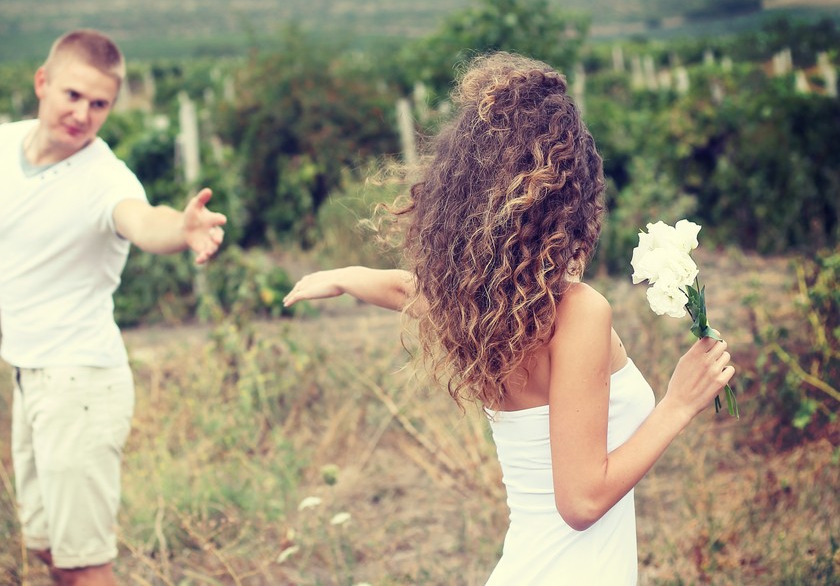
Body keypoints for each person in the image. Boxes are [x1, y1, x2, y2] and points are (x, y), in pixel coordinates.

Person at [282, 52, 734, 584]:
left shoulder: (487, 310)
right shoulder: (579, 313)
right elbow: (582, 501)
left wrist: (348, 276)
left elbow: (408, 289)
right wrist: (679, 403)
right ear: (570, 194)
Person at [0, 28, 226, 585]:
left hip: (81, 383)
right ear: (43, 83)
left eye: (99, 103)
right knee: (50, 551)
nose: (83, 114)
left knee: (85, 568)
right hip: (28, 375)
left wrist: (180, 228)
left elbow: (141, 219)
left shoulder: (105, 177)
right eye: (73, 96)